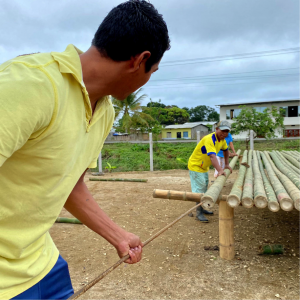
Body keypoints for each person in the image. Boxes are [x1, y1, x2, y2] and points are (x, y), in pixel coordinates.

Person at [0, 1, 170, 299]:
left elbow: (69, 182)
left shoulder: (104, 110)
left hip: (42, 263)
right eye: (152, 70)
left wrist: (117, 235)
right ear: (139, 60)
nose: (148, 79)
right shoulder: (27, 84)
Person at [188, 121, 233, 222]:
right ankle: (198, 213)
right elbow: (212, 156)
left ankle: (202, 208)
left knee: (204, 187)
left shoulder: (222, 140)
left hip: (204, 166)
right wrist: (220, 170)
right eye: (222, 130)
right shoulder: (210, 139)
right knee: (199, 190)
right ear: (216, 129)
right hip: (196, 166)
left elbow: (226, 151)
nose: (224, 133)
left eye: (227, 131)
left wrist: (226, 164)